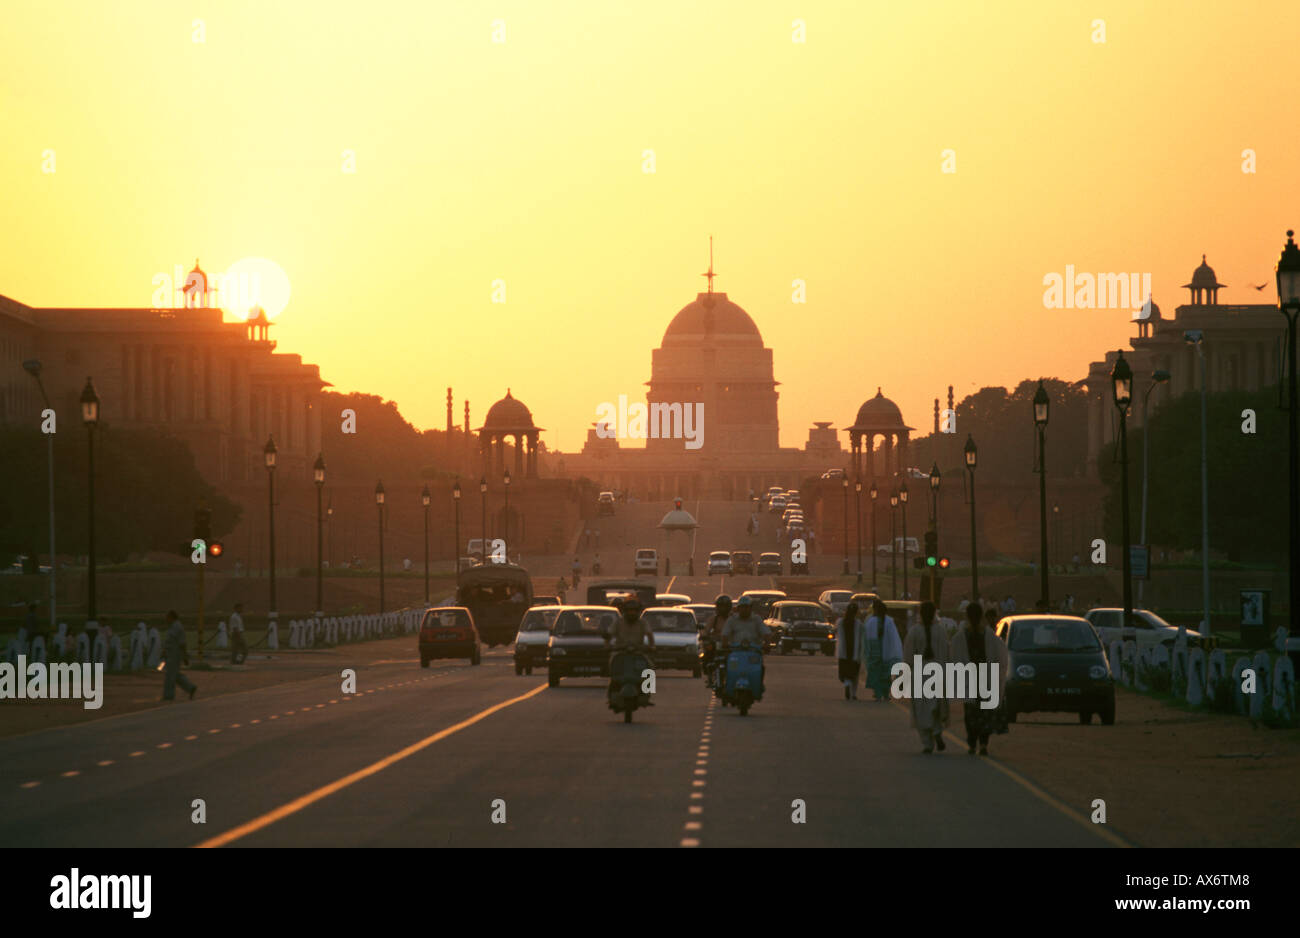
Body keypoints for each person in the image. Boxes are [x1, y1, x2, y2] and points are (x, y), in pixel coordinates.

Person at [949, 601, 1008, 756]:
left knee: (971, 714)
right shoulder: (990, 636)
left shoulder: (961, 637)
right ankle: (982, 743)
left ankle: (972, 743)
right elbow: (1001, 658)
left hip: (971, 680)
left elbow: (954, 659)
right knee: (984, 713)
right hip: (985, 679)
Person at [903, 601, 950, 753]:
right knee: (936, 706)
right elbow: (947, 654)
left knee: (921, 708)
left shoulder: (914, 632)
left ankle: (928, 743)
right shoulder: (941, 631)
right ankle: (937, 730)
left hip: (920, 674)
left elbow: (908, 657)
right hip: (938, 672)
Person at [605, 599, 656, 703]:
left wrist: (652, 646)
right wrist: (607, 645)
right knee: (613, 666)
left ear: (638, 611)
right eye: (629, 610)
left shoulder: (642, 623)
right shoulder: (618, 622)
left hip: (639, 652)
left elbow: (650, 635)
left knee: (650, 668)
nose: (631, 613)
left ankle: (647, 693)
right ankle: (613, 691)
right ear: (625, 611)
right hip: (620, 652)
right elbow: (609, 635)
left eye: (634, 610)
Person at [721, 595, 770, 692]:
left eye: (746, 607)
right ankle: (726, 684)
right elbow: (725, 634)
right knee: (727, 665)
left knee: (760, 667)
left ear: (750, 608)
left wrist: (767, 644)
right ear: (738, 609)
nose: (744, 610)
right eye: (742, 607)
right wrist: (725, 644)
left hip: (753, 652)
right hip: (736, 652)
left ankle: (758, 685)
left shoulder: (756, 619)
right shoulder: (732, 620)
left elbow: (766, 633)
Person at [858, 598, 902, 701]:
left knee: (875, 674)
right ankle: (886, 694)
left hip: (874, 653)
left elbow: (866, 640)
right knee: (886, 674)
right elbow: (894, 638)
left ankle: (878, 694)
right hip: (888, 653)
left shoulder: (870, 621)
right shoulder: (889, 621)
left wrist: (866, 653)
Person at [161, 610, 197, 702]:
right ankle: (190, 687)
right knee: (175, 675)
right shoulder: (173, 627)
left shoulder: (177, 627)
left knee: (170, 676)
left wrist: (185, 656)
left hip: (175, 654)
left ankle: (168, 696)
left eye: (167, 617)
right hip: (170, 654)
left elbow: (182, 643)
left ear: (172, 617)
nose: (165, 619)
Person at [702, 595, 732, 685]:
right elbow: (706, 631)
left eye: (725, 606)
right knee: (707, 653)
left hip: (730, 644)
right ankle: (709, 673)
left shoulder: (734, 619)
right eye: (721, 606)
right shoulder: (713, 619)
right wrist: (704, 636)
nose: (723, 609)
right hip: (717, 644)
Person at [836, 601, 862, 700]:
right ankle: (854, 694)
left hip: (843, 651)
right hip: (855, 651)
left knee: (845, 672)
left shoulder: (840, 622)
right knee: (854, 673)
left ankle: (847, 684)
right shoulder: (858, 624)